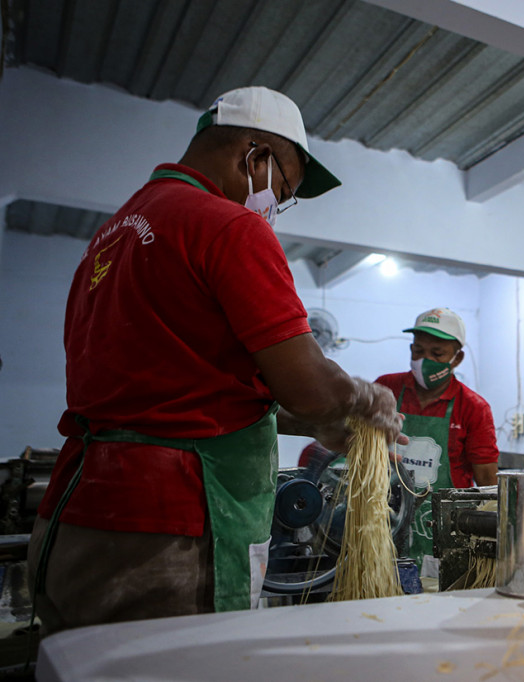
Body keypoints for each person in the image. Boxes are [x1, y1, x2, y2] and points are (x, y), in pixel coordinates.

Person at [27, 86, 405, 634]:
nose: (276, 203)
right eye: (284, 186)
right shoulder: (228, 225)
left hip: (75, 516)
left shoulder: (111, 237)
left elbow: (177, 386)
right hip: (171, 531)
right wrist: (363, 398)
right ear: (253, 157)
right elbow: (307, 386)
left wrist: (320, 425)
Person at [375, 307, 499, 566]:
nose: (424, 360)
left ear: (457, 358)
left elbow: (488, 483)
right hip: (382, 520)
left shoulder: (473, 407)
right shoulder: (385, 389)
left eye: (437, 353)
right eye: (418, 350)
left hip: (444, 532)